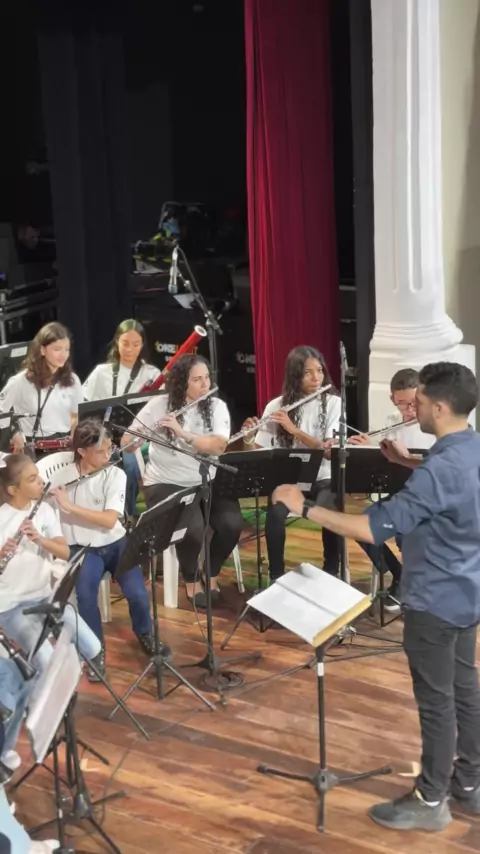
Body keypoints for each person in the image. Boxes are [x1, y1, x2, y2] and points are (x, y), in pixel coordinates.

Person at [273, 361, 480, 832]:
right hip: (468, 592)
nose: (415, 409)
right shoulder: (470, 447)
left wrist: (303, 506)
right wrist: (406, 464)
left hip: (433, 601)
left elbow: (371, 528)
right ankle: (470, 782)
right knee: (465, 689)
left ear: (440, 407)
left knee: (437, 702)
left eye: (419, 401)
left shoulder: (439, 469)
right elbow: (449, 487)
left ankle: (431, 799)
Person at [123, 354, 243, 608]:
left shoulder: (216, 406)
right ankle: (190, 578)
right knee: (193, 528)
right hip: (166, 481)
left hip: (207, 477)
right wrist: (138, 437)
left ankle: (210, 570)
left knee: (231, 523)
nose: (205, 384)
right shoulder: (159, 405)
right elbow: (127, 444)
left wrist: (182, 433)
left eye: (206, 378)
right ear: (181, 382)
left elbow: (218, 446)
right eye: (197, 380)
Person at [50, 419, 157, 681]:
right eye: (100, 451)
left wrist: (69, 507)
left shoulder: (115, 474)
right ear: (81, 451)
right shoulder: (61, 478)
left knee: (138, 593)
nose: (108, 455)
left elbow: (109, 520)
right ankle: (94, 650)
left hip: (115, 543)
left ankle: (145, 632)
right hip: (82, 548)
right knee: (86, 597)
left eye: (109, 448)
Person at [242, 346, 341, 579]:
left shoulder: (333, 403)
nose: (316, 378)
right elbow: (257, 454)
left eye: (319, 370)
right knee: (276, 514)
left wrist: (293, 430)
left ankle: (331, 572)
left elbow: (328, 452)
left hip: (323, 476)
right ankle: (276, 575)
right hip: (288, 481)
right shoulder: (276, 407)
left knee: (330, 510)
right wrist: (247, 438)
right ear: (295, 376)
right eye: (308, 372)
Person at [0, 454, 101, 673]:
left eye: (38, 475)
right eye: (32, 479)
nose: (41, 482)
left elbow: (65, 552)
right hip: (10, 606)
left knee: (93, 647)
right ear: (13, 490)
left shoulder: (44, 510)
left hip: (46, 598)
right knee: (47, 664)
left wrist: (40, 539)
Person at [350, 369, 436, 611]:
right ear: (392, 400)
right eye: (402, 404)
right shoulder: (392, 421)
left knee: (407, 533)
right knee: (361, 526)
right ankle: (399, 574)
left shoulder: (437, 422)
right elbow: (384, 459)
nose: (409, 410)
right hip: (401, 493)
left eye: (414, 403)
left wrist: (408, 458)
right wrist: (368, 447)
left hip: (432, 499)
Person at [82, 319, 161, 520]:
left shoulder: (152, 374)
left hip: (137, 437)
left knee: (131, 463)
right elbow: (84, 405)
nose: (130, 349)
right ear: (117, 341)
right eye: (125, 343)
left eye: (136, 344)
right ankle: (114, 513)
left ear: (142, 345)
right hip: (105, 435)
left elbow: (159, 411)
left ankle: (128, 515)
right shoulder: (101, 372)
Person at [0, 322, 82, 455]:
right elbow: (2, 412)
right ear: (42, 350)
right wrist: (14, 434)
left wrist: (75, 439)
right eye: (57, 349)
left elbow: (76, 416)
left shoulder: (73, 380)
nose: (63, 355)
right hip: (33, 450)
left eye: (66, 349)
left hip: (65, 447)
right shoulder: (20, 382)